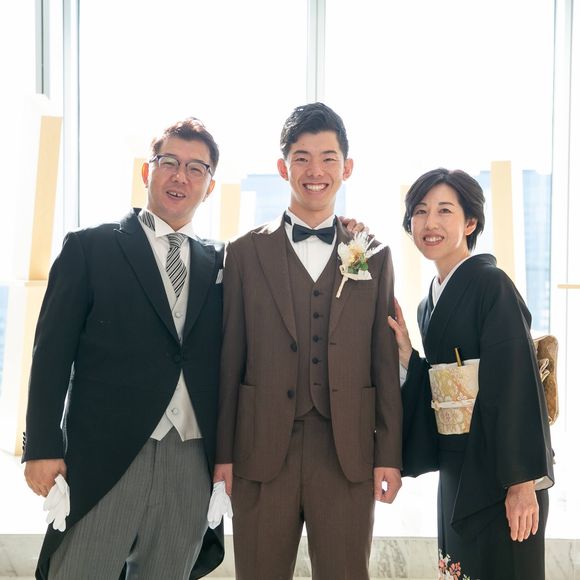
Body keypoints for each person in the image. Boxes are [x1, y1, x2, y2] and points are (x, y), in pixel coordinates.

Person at [23, 117, 225, 579]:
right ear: (147, 171)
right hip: (106, 454)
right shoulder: (89, 248)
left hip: (190, 458)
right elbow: (50, 354)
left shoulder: (223, 262)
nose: (181, 176)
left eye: (196, 168)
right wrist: (41, 445)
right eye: (169, 162)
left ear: (209, 186)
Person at [213, 102, 403, 580]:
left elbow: (383, 364)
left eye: (328, 158)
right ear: (283, 168)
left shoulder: (373, 255)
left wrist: (389, 456)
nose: (315, 171)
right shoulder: (243, 253)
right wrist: (223, 454)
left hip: (346, 452)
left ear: (347, 167)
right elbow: (229, 358)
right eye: (301, 158)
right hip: (259, 449)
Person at [387, 168, 554, 580]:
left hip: (503, 471)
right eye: (420, 211)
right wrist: (408, 355)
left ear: (470, 222)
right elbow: (438, 389)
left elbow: (516, 381)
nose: (430, 223)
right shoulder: (428, 304)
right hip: (458, 468)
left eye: (445, 210)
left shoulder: (492, 285)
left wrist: (522, 482)